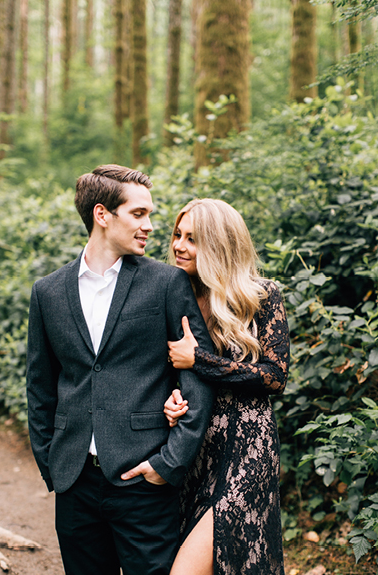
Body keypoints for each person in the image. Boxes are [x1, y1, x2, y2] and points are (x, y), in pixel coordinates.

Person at [26, 164, 215, 575]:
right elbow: (40, 387)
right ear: (102, 215)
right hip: (74, 482)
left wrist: (168, 464)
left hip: (144, 479)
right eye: (138, 213)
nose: (149, 225)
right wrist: (53, 465)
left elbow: (196, 375)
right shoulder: (48, 292)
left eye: (149, 214)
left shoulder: (166, 284)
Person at [162, 198, 289, 575]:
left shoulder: (263, 295)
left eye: (193, 238)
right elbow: (170, 370)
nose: (179, 246)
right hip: (196, 446)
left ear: (219, 244)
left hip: (248, 449)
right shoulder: (176, 293)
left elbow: (275, 375)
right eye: (178, 235)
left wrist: (200, 359)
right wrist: (170, 398)